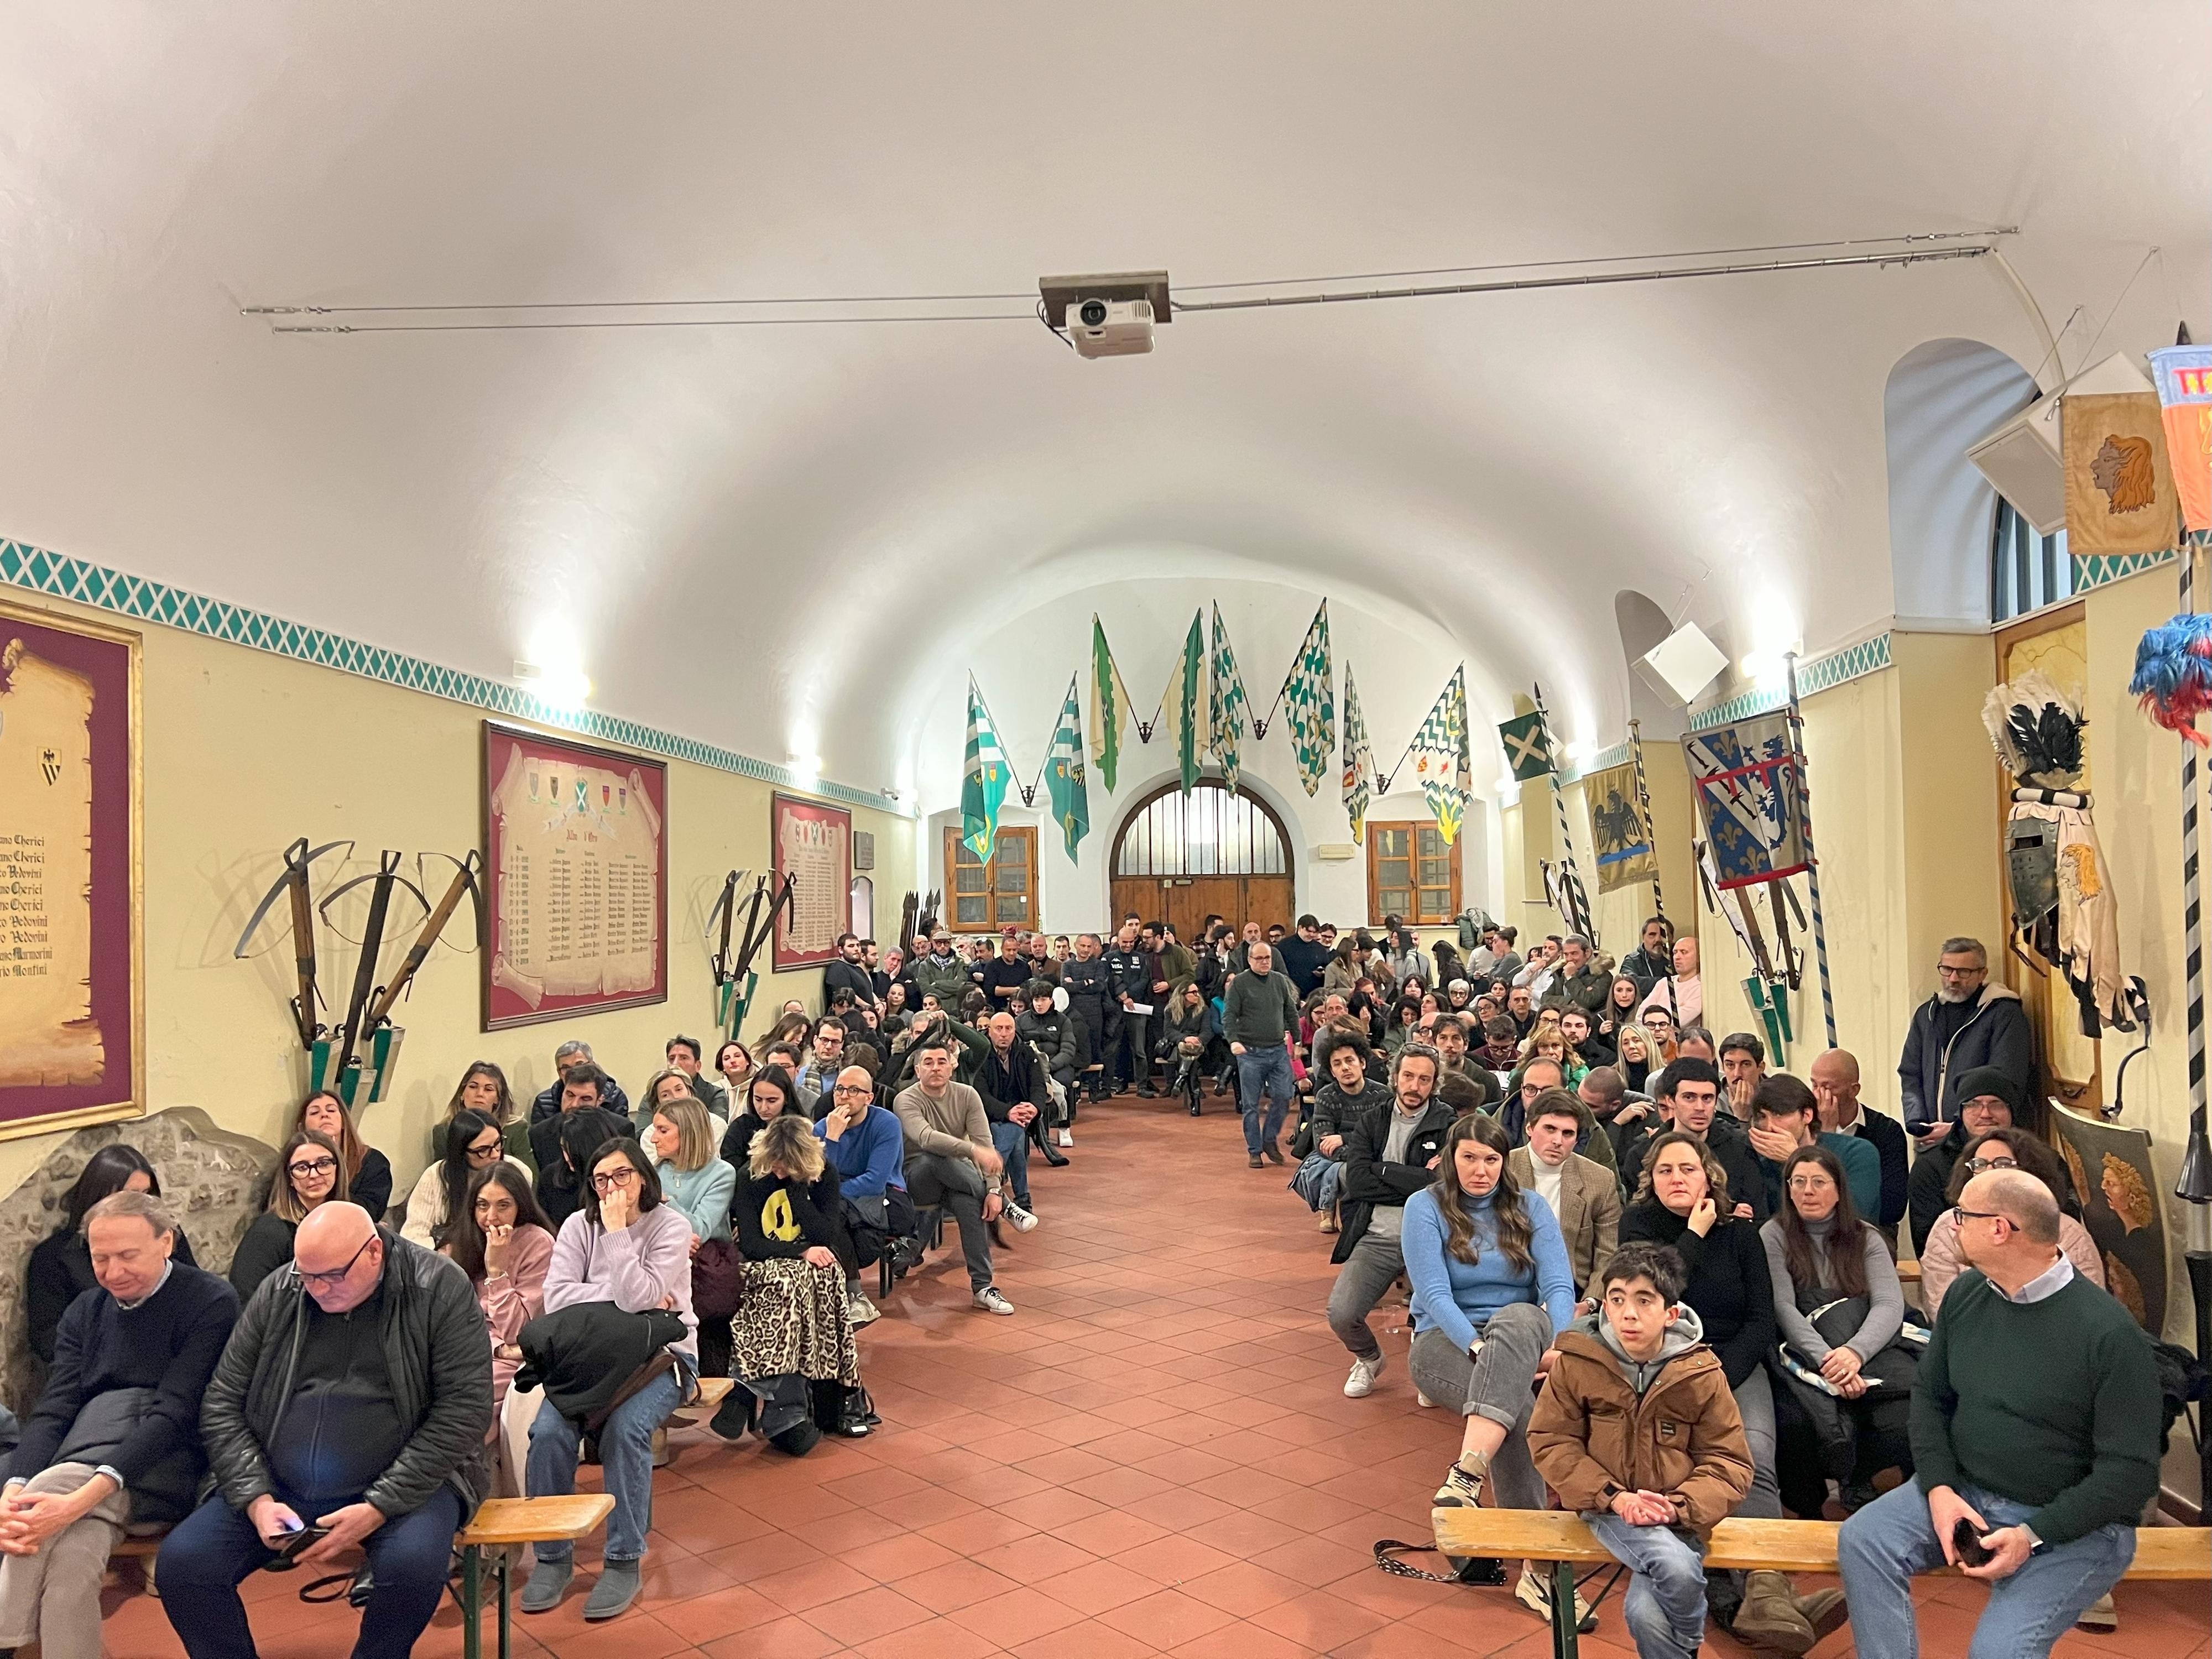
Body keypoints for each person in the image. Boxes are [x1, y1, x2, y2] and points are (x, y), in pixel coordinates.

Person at [1836, 1170, 2161, 1659]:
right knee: (1863, 1539)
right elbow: (1930, 1397)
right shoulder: (1968, 1295)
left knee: (1998, 1651)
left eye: (1963, 1216)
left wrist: (2033, 1535)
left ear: (1999, 1229)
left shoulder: (2110, 1336)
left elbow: (2130, 1476)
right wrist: (1941, 1488)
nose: (1951, 1225)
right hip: (1966, 1491)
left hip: (2073, 1525)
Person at [160, 1202, 492, 1659]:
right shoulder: (282, 1289)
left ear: (374, 1252)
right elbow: (222, 1401)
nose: (317, 1290)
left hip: (409, 1480)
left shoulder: (438, 1287)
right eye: (307, 1276)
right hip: (278, 1482)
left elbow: (464, 1409)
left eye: (332, 1276)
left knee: (411, 1567)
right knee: (183, 1565)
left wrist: (380, 1505)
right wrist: (256, 1498)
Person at [0, 1191, 237, 1659]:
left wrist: (73, 1498)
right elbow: (55, 1410)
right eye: (100, 1258)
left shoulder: (210, 1301)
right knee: (72, 1564)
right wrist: (15, 1483)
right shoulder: (85, 1311)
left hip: (167, 1460)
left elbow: (175, 1412)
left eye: (128, 1256)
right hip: (84, 1456)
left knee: (41, 1501)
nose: (112, 1272)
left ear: (166, 1242)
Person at [1619, 1133, 1833, 1648]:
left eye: (1687, 1170)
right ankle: (1742, 1597)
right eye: (1666, 1170)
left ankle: (1764, 1583)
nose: (1677, 1179)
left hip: (1733, 1362)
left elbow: (1762, 1319)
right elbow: (1650, 1300)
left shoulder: (1742, 1234)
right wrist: (1693, 1234)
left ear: (1707, 1177)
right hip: (1664, 1365)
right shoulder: (1638, 1227)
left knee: (1752, 1452)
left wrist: (1722, 1371)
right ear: (1650, 1180)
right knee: (1684, 1461)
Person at [1527, 1242, 1756, 1659]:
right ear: (1605, 1308)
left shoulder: (1700, 1372)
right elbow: (1551, 1440)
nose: (1628, 1313)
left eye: (1643, 1300)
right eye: (1617, 1299)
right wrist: (1615, 1497)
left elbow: (1730, 1463)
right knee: (1674, 1566)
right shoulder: (1578, 1362)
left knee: (1646, 1616)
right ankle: (1690, 1645)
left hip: (1681, 1514)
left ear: (1670, 1314)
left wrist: (1677, 1507)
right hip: (1607, 1506)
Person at [1402, 1112, 1580, 1627]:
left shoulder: (1529, 1207)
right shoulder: (1425, 1207)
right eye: (1470, 1158)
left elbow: (1559, 1287)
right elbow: (1433, 1295)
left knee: (1523, 1315)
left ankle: (1467, 1477)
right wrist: (1482, 1349)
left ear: (1506, 1162)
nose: (1481, 1170)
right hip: (1445, 1342)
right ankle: (1541, 1571)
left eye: (1492, 1159)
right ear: (1451, 1159)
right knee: (1520, 1414)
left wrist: (1561, 1345)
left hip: (1524, 1339)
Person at [523, 1138, 693, 1622]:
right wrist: (620, 1297)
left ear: (642, 1177)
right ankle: (552, 1557)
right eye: (601, 1180)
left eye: (622, 1176)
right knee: (549, 1434)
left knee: (626, 1431)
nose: (611, 1188)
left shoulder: (671, 1227)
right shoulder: (578, 1225)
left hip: (661, 1356)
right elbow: (556, 1299)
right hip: (587, 1357)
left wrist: (618, 1236)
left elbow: (642, 1299)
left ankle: (623, 1559)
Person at [1763, 1145, 1912, 1517]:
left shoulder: (1866, 1237)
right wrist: (1829, 1362)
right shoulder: (1774, 1234)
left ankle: (1860, 1479)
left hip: (1864, 1348)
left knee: (1909, 1411)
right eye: (1798, 1182)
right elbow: (1783, 1307)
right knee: (1795, 1422)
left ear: (1839, 1189)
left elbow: (1889, 1305)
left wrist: (1855, 1354)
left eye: (1818, 1182)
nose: (1807, 1191)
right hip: (1802, 1352)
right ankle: (1807, 1508)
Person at [729, 1115, 867, 1452]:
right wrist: (800, 1251)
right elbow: (752, 1243)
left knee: (812, 1282)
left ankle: (750, 1389)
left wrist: (797, 1192)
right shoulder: (751, 1176)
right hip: (768, 1266)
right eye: (774, 1165)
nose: (777, 1172)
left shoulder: (824, 1175)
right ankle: (782, 1407)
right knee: (785, 1287)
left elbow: (826, 1234)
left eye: (786, 1166)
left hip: (812, 1264)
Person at [1328, 1045, 1454, 1397]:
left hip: (1430, 1239)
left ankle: (1429, 1373)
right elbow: (1357, 1182)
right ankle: (1369, 1359)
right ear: (1395, 1077)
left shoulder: (1448, 1124)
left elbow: (1443, 1187)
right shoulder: (1372, 1120)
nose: (1415, 1086)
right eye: (1409, 1076)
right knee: (1342, 1313)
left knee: (1435, 1315)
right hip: (1377, 1236)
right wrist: (1414, 1180)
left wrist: (1382, 1171)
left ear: (1434, 1084)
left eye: (1425, 1079)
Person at [25, 1145, 201, 1365]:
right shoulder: (54, 1258)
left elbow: (196, 1292)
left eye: (147, 1196)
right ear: (99, 1198)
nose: (141, 1207)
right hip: (97, 1367)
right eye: (129, 1197)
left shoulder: (164, 1234)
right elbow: (48, 1339)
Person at [1916, 1128, 2104, 1319]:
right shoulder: (1949, 1226)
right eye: (1979, 1164)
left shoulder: (2067, 1232)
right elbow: (1942, 1310)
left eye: (2003, 1164)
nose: (1989, 1172)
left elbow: (2090, 1308)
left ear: (2030, 1172)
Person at [446, 1164, 554, 1494]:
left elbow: (518, 1332)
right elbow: (449, 1317)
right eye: (482, 1205)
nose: (491, 1216)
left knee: (466, 1409)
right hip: (472, 1350)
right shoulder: (462, 1242)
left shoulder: (538, 1243)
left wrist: (497, 1271)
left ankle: (470, 1498)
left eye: (503, 1205)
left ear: (521, 1205)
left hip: (513, 1359)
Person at [895, 1034, 1015, 1316]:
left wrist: (995, 1189)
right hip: (916, 1180)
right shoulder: (906, 1098)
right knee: (935, 1154)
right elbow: (925, 1138)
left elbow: (986, 1143)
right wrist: (973, 1152)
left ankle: (982, 1288)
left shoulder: (967, 1094)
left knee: (969, 1204)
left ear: (952, 1067)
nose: (935, 1068)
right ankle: (1009, 1209)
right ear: (918, 1070)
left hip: (958, 1181)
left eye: (941, 1062)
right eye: (928, 1063)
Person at [1896, 936, 2032, 1142]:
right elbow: (1910, 1073)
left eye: (1964, 972)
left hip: (1982, 1141)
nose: (1953, 979)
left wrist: (1957, 1127)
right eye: (1947, 969)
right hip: (1930, 1141)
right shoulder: (1926, 1015)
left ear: (1983, 974)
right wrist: (1918, 1123)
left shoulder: (2004, 1014)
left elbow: (2006, 1082)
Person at [644, 1093, 738, 1376]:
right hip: (661, 1251)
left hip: (708, 1258)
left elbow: (699, 1229)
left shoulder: (721, 1173)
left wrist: (663, 1198)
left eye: (663, 1130)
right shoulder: (651, 1171)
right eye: (654, 1129)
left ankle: (691, 1369)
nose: (653, 1139)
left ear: (686, 1133)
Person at [1906, 1065, 2040, 1255]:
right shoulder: (1930, 1166)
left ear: (2011, 1111)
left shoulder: (2041, 1160)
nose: (1985, 1114)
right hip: (1959, 1266)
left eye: (1996, 1104)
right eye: (1974, 1105)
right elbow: (1929, 1243)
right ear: (1961, 1112)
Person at [1621, 1059, 1767, 1228]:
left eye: (1707, 1098)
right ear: (1670, 1101)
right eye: (1689, 1097)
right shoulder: (1642, 1155)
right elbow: (1640, 1222)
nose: (1700, 1107)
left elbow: (1757, 1217)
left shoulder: (1739, 1150)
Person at [816, 1065, 910, 1327]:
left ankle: (854, 1294)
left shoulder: (886, 1124)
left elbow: (875, 1180)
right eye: (840, 1089)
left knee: (830, 1208)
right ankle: (853, 1296)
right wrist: (831, 1138)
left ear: (869, 1097)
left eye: (854, 1090)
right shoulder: (823, 1128)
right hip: (842, 1200)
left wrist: (830, 1194)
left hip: (882, 1195)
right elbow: (816, 1179)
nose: (844, 1096)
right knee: (830, 1212)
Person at [1507, 1089, 1621, 1298]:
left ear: (1577, 1139)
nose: (1558, 1140)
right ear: (1530, 1128)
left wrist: (1590, 1303)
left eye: (1567, 1133)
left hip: (1574, 1289)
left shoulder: (1600, 1180)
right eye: (1550, 1129)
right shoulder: (1502, 1168)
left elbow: (1608, 1254)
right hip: (1510, 1286)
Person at [229, 1130, 348, 1301]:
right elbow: (247, 1298)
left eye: (323, 1164)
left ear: (337, 1169)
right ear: (290, 1178)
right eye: (302, 1167)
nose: (314, 1174)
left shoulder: (347, 1223)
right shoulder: (270, 1231)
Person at [1745, 1073, 1882, 1223]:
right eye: (1762, 1117)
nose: (1769, 1126)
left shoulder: (1857, 1152)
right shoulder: (1757, 1161)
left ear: (1807, 1115)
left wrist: (1796, 1159)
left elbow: (1853, 1215)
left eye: (1779, 1114)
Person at [1807, 1048, 1907, 1245]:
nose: (1818, 1095)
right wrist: (1824, 1131)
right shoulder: (1806, 1127)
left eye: (1828, 1087)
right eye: (1814, 1084)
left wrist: (1829, 1136)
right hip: (1813, 1229)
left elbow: (1893, 1207)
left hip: (1871, 1230)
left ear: (1854, 1090)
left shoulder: (1886, 1131)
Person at [400, 1108, 528, 1250]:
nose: (495, 1154)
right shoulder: (436, 1176)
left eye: (498, 1143)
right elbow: (413, 1236)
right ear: (462, 1152)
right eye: (483, 1150)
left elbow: (525, 1226)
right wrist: (443, 1258)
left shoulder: (519, 1171)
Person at [529, 1065, 636, 1229]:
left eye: (585, 1099)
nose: (574, 1105)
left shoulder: (620, 1130)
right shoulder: (540, 1134)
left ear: (599, 1100)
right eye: (569, 1095)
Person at [1225, 940, 1301, 1169]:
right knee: (1250, 1105)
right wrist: (1233, 1041)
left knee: (1284, 1096)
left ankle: (1269, 1139)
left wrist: (1296, 1040)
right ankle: (1255, 1151)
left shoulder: (1279, 981)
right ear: (1249, 960)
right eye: (1259, 958)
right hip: (1250, 1052)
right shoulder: (1240, 983)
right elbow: (1228, 1015)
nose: (1264, 962)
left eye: (1267, 958)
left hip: (1278, 1049)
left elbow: (1291, 1010)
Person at [971, 1011, 1050, 1219]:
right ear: (989, 1031)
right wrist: (1007, 1112)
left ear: (1015, 1032)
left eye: (1009, 1029)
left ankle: (988, 1184)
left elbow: (1038, 1086)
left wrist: (1035, 1107)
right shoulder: (981, 1056)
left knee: (1015, 1130)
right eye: (999, 1029)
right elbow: (981, 1096)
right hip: (989, 1117)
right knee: (1016, 1135)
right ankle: (1022, 1199)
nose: (1004, 1034)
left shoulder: (1026, 1053)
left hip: (1021, 1115)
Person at [295, 1090, 392, 1223]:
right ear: (302, 1128)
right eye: (314, 1113)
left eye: (332, 1110)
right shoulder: (294, 1163)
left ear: (344, 1122)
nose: (324, 1115)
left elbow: (371, 1212)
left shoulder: (374, 1162)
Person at [1016, 979, 1081, 1142]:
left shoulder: (1063, 1021)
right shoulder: (1021, 1021)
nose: (1039, 1004)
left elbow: (1068, 1050)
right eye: (1036, 1000)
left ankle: (1063, 1126)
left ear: (1051, 1000)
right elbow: (1017, 1047)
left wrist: (1050, 1066)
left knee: (1062, 1083)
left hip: (1057, 1066)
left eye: (1043, 999)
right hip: (1030, 1066)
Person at [444, 1061, 531, 1168]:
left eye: (488, 1089)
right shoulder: (443, 1130)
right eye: (473, 1087)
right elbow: (442, 1173)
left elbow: (532, 1178)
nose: (480, 1094)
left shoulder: (516, 1128)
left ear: (498, 1099)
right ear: (462, 1094)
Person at [1060, 932, 1113, 1107]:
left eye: (1089, 947)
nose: (1085, 950)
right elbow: (1065, 987)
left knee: (1096, 1049)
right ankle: (1075, 1090)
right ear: (1076, 946)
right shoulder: (1067, 966)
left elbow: (1099, 986)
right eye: (1082, 946)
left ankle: (1093, 1089)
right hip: (1074, 1015)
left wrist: (1077, 984)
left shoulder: (1098, 965)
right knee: (1075, 1050)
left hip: (1095, 1014)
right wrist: (1085, 983)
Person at [1103, 922, 1155, 1095]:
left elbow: (1144, 979)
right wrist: (1122, 995)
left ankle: (1142, 1086)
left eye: (1131, 942)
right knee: (1115, 1050)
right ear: (1118, 941)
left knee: (1139, 1050)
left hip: (1136, 1009)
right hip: (1115, 1011)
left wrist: (1129, 996)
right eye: (1124, 942)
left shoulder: (1141, 958)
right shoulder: (1109, 958)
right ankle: (1114, 1085)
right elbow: (1108, 980)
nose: (1128, 945)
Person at [721, 1065, 802, 1171]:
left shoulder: (800, 1129)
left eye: (772, 1101)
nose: (764, 1108)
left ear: (786, 1098)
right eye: (758, 1099)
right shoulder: (740, 1127)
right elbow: (729, 1170)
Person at [529, 1040, 630, 1123]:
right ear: (559, 1073)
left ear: (593, 1066)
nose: (574, 1072)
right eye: (566, 1068)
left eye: (580, 1065)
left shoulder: (615, 1097)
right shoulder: (543, 1103)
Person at [1639, 936, 1702, 1029]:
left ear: (1698, 957)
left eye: (1684, 952)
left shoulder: (1700, 986)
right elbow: (1640, 1014)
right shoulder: (1664, 983)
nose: (1677, 957)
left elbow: (1679, 1020)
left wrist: (1652, 1021)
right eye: (1675, 953)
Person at [1543, 934, 1609, 1018]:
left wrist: (1570, 978)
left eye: (1574, 954)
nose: (1569, 959)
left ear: (1587, 953)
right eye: (1566, 954)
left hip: (1589, 1025)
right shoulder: (1560, 973)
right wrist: (1571, 1001)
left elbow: (1588, 1002)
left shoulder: (1602, 975)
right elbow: (1545, 999)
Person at [824, 932, 880, 1014]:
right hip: (850, 1018)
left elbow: (868, 991)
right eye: (851, 946)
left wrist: (879, 1004)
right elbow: (848, 996)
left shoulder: (858, 969)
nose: (856, 949)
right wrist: (869, 1008)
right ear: (841, 950)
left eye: (858, 945)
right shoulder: (838, 969)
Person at [794, 1016, 848, 1101]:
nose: (829, 1046)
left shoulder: (848, 1075)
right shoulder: (799, 1075)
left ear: (842, 1045)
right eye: (824, 1040)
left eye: (835, 1042)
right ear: (815, 1040)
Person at [1717, 1032, 1766, 1119]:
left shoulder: (1777, 1097)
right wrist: (1741, 1118)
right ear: (1723, 1067)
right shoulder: (1711, 1098)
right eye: (1730, 1065)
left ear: (1761, 1067)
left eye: (1745, 1064)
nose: (1737, 1074)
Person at [1618, 917, 1676, 990]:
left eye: (1664, 935)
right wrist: (1668, 983)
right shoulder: (1633, 960)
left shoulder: (1680, 959)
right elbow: (1628, 982)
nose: (1658, 939)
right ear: (1643, 938)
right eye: (1652, 935)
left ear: (1672, 938)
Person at [714, 1038, 756, 1105]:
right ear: (723, 1067)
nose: (732, 1061)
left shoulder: (758, 1087)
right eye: (727, 1058)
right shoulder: (714, 1090)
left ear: (748, 1061)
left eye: (737, 1056)